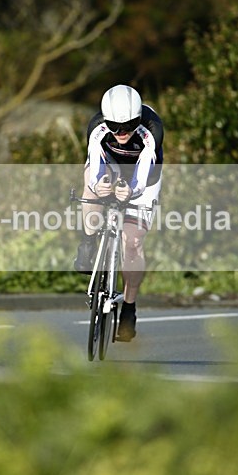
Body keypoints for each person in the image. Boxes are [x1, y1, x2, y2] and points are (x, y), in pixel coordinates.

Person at [73, 84, 164, 342]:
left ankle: (129, 307)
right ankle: (88, 241)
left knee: (132, 242)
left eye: (129, 125)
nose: (122, 132)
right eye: (115, 126)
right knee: (91, 187)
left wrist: (131, 191)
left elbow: (142, 174)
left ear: (139, 119)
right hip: (110, 165)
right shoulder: (97, 127)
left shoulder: (152, 129)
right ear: (106, 120)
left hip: (144, 176)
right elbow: (95, 163)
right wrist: (97, 186)